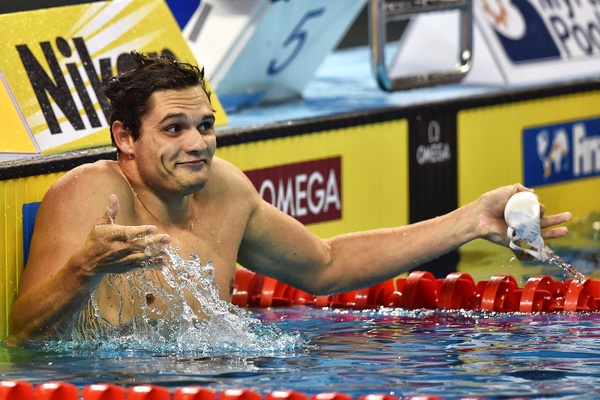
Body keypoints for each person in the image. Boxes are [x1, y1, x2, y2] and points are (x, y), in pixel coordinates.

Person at [4, 52, 572, 346]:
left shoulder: (225, 189)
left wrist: (470, 219)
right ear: (125, 137)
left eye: (205, 125)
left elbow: (325, 266)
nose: (198, 143)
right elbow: (23, 336)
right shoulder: (92, 194)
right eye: (174, 129)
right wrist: (82, 270)